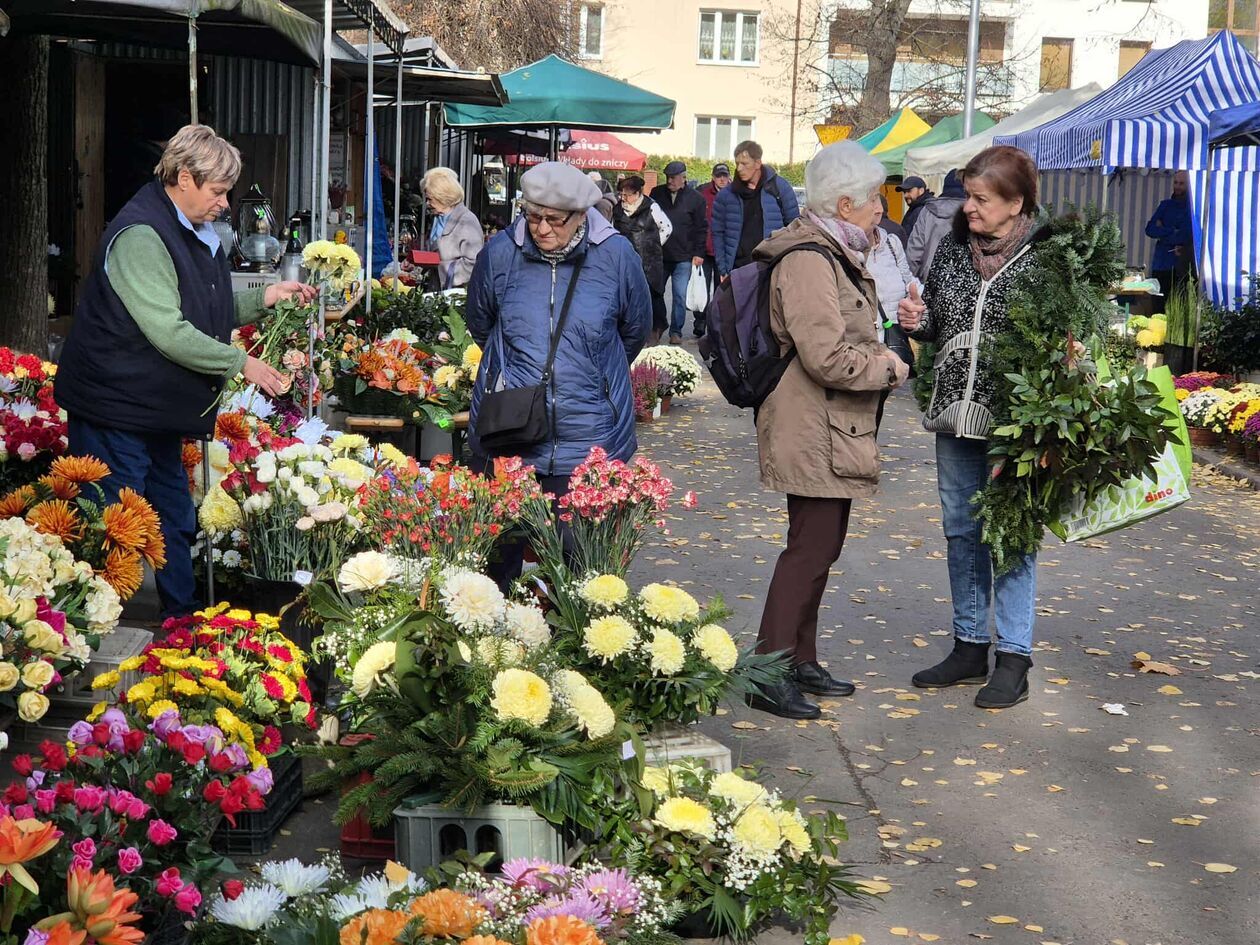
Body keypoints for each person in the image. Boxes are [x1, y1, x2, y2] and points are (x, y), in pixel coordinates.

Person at [55, 124, 314, 619]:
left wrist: (263, 298)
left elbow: (200, 306)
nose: (223, 203)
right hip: (115, 407)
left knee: (173, 516)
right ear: (183, 177)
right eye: (217, 192)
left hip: (154, 410)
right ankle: (101, 633)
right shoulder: (141, 236)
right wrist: (243, 362)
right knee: (118, 525)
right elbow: (169, 331)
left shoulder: (194, 230)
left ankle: (182, 621)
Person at [747, 140, 910, 720]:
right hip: (810, 423)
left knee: (822, 547)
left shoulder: (831, 252)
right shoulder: (810, 260)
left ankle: (800, 658)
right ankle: (767, 670)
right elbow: (825, 356)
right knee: (809, 549)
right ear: (845, 205)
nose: (879, 213)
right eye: (873, 203)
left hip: (829, 424)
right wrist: (887, 367)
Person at [897, 145, 1046, 710]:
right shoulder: (956, 252)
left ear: (1015, 203)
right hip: (954, 415)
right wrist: (920, 319)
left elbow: (1070, 336)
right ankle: (968, 645)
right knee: (961, 528)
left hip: (1016, 422)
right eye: (967, 197)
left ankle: (1013, 656)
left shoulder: (1045, 261)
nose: (968, 210)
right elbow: (938, 317)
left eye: (981, 199)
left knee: (1009, 533)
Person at [466, 162, 651, 586]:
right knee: (496, 564)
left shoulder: (616, 255)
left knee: (582, 570)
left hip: (590, 432)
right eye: (532, 217)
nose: (541, 229)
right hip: (509, 431)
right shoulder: (500, 254)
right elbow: (481, 321)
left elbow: (634, 330)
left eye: (554, 220)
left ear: (582, 216)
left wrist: (593, 378)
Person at [712, 140, 801, 278]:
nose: (739, 168)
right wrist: (723, 269)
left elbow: (794, 228)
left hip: (771, 267)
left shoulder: (779, 188)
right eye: (737, 164)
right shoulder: (726, 195)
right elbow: (718, 232)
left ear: (758, 163)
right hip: (737, 269)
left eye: (745, 164)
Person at [650, 161, 709, 343]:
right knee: (655, 292)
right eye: (667, 176)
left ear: (684, 178)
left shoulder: (696, 199)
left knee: (679, 295)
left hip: (684, 256)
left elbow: (701, 228)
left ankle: (676, 331)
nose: (670, 180)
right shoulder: (656, 194)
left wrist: (699, 253)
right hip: (660, 254)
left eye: (674, 177)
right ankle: (657, 327)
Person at [865, 197, 918, 388]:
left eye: (879, 202)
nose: (879, 209)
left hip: (892, 335)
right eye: (872, 201)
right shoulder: (849, 248)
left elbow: (908, 280)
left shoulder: (891, 243)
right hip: (865, 345)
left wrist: (919, 301)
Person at [612, 175, 672, 344]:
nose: (624, 198)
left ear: (638, 193)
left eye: (627, 195)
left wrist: (654, 244)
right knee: (629, 296)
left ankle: (656, 328)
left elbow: (667, 227)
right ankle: (634, 330)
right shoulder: (617, 210)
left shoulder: (652, 207)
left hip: (650, 261)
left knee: (653, 295)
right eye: (622, 194)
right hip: (626, 260)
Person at [421, 166, 484, 289]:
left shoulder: (467, 221)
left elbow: (473, 264)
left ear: (442, 195)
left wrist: (441, 268)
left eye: (429, 199)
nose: (427, 204)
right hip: (435, 290)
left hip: (456, 295)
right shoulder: (437, 218)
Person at [1145, 170, 1195, 306]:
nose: (1177, 186)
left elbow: (1186, 235)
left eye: (1182, 184)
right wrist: (1172, 231)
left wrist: (1163, 231)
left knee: (1179, 306)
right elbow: (1149, 230)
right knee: (1158, 304)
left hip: (1182, 265)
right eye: (1176, 183)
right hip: (1161, 264)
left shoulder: (1192, 208)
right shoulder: (1165, 205)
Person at [906, 169, 966, 280]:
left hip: (929, 280)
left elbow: (913, 252)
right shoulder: (973, 212)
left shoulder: (928, 211)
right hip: (965, 283)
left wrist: (913, 283)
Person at [694, 163, 731, 336]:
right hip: (705, 249)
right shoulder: (702, 193)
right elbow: (697, 222)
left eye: (724, 176)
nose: (722, 179)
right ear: (713, 177)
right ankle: (700, 322)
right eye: (719, 176)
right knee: (701, 289)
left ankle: (717, 324)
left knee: (721, 290)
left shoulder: (735, 194)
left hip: (724, 251)